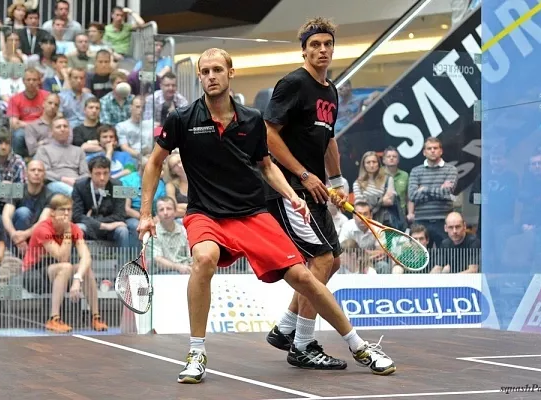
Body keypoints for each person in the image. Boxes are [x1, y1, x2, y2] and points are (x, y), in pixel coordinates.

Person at [137, 47, 395, 384]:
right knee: (204, 258)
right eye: (205, 71)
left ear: (231, 73)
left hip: (251, 214)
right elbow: (154, 162)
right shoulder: (182, 119)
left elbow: (267, 165)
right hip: (206, 214)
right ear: (199, 77)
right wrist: (145, 213)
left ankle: (360, 346)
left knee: (305, 277)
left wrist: (292, 195)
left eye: (217, 69)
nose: (211, 76)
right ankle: (196, 351)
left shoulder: (252, 119)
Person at [263, 16, 349, 369]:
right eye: (315, 45)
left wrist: (339, 182)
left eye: (327, 44)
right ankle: (303, 344)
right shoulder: (293, 84)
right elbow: (268, 134)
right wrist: (303, 174)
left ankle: (286, 330)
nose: (322, 50)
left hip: (313, 188)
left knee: (334, 260)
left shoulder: (331, 91)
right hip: (287, 188)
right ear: (304, 50)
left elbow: (328, 139)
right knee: (321, 260)